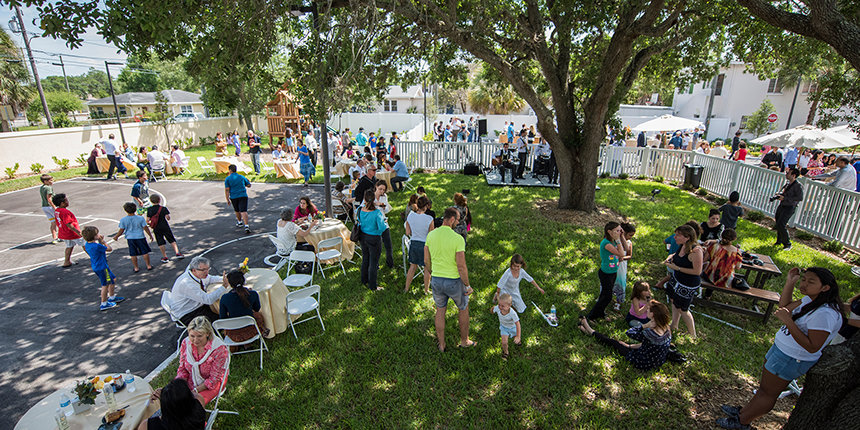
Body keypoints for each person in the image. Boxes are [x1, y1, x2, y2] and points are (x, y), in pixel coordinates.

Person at [717, 267, 843, 429]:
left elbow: (813, 346)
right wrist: (790, 282)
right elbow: (785, 306)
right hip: (781, 350)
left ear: (825, 287)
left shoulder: (825, 314)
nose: (804, 284)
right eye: (804, 279)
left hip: (791, 358)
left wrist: (788, 321)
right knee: (763, 389)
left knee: (769, 394)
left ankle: (742, 422)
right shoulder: (810, 299)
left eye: (811, 282)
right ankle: (743, 413)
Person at [425, 207, 474, 351]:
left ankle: (442, 344)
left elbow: (426, 260)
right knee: (463, 308)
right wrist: (467, 285)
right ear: (452, 219)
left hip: (436, 280)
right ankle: (464, 341)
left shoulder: (431, 235)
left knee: (440, 311)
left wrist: (432, 272)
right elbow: (461, 266)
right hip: (454, 281)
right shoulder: (458, 239)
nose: (458, 223)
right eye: (457, 220)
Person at [578, 301, 672, 371]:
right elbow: (647, 344)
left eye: (648, 309)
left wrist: (644, 325)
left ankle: (590, 330)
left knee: (613, 342)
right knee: (622, 344)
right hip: (657, 361)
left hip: (642, 362)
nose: (646, 310)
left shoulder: (650, 333)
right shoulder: (667, 329)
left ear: (653, 314)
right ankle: (589, 332)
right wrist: (629, 346)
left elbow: (629, 332)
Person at [171, 316, 228, 405]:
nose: (195, 340)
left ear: (207, 334)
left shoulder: (219, 349)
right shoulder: (186, 343)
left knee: (193, 404)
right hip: (191, 380)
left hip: (212, 384)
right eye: (192, 336)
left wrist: (195, 391)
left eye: (199, 336)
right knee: (172, 399)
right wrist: (179, 386)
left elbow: (214, 379)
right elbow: (183, 369)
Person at [663, 224, 702, 339]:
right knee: (673, 300)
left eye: (678, 235)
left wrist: (677, 268)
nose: (674, 237)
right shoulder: (683, 245)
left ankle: (693, 335)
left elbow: (697, 271)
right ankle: (674, 325)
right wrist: (669, 257)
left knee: (683, 309)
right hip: (677, 280)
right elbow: (675, 254)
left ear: (687, 237)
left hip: (687, 284)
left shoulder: (696, 251)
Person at [586, 222, 627, 321]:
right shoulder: (606, 244)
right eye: (617, 230)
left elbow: (626, 248)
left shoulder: (613, 241)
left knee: (605, 295)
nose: (619, 232)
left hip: (613, 272)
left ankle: (600, 313)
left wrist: (621, 236)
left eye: (620, 230)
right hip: (606, 274)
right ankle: (591, 316)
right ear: (609, 232)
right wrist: (618, 240)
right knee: (607, 297)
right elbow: (621, 254)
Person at [170, 257, 226, 325]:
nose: (207, 272)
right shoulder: (187, 283)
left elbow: (210, 278)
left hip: (198, 305)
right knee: (221, 322)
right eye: (203, 270)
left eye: (208, 269)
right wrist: (224, 287)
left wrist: (226, 278)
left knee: (222, 312)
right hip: (188, 313)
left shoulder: (197, 275)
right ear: (194, 270)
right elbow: (208, 300)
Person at [81, 226, 125, 311]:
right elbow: (109, 249)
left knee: (112, 279)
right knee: (105, 284)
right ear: (94, 236)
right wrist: (103, 241)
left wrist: (99, 241)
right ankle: (104, 303)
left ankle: (112, 297)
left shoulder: (88, 245)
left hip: (98, 266)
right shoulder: (97, 246)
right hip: (102, 268)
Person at [219, 270, 270, 341]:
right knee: (258, 315)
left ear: (230, 284)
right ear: (243, 281)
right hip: (252, 331)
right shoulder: (253, 294)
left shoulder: (224, 298)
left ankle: (242, 344)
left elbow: (223, 317)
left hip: (233, 334)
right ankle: (251, 341)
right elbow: (257, 309)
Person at [139, 378, 206, 430]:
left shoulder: (146, 426)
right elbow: (195, 396)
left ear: (166, 407)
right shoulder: (199, 404)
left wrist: (166, 397)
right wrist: (169, 394)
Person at [358, 190, 387, 291]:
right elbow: (381, 228)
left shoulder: (360, 210)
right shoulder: (377, 213)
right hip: (374, 238)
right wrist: (384, 222)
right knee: (373, 262)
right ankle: (373, 286)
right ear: (374, 199)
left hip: (363, 237)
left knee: (365, 258)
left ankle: (364, 279)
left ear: (364, 199)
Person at [404, 195, 434, 293]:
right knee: (427, 268)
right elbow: (431, 235)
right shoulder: (429, 219)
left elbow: (407, 232)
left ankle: (406, 288)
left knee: (412, 267)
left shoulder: (410, 216)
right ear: (426, 206)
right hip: (425, 245)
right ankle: (426, 290)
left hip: (413, 244)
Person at [113, 202, 155, 272]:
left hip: (130, 238)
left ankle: (136, 267)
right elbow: (145, 227)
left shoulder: (123, 220)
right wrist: (150, 235)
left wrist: (116, 236)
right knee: (144, 251)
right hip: (140, 236)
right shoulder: (140, 218)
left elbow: (121, 230)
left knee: (133, 253)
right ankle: (148, 265)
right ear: (135, 209)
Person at [702, 228, 743, 294]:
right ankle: (708, 295)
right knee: (720, 273)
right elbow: (738, 267)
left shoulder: (714, 246)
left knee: (711, 272)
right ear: (734, 239)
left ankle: (707, 295)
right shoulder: (737, 252)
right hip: (727, 280)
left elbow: (704, 260)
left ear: (721, 236)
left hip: (710, 276)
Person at [147, 194, 184, 263]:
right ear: (159, 200)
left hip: (156, 227)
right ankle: (177, 253)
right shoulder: (163, 208)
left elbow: (147, 220)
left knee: (160, 242)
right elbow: (168, 218)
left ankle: (165, 256)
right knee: (171, 239)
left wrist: (151, 223)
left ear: (151, 201)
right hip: (165, 226)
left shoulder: (149, 209)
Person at [774, 168, 803, 251]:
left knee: (781, 224)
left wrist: (785, 198)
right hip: (782, 205)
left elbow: (799, 198)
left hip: (790, 207)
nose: (786, 174)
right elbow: (786, 194)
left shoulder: (798, 186)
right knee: (778, 222)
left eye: (788, 173)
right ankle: (779, 241)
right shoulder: (788, 184)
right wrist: (780, 195)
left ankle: (787, 244)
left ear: (793, 175)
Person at [52, 193, 84, 268]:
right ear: (62, 203)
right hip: (72, 233)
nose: (68, 201)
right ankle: (95, 259)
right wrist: (78, 232)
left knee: (69, 246)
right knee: (85, 244)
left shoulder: (57, 211)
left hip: (64, 233)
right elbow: (68, 224)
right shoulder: (65, 212)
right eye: (66, 200)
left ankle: (66, 261)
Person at [371, 182, 395, 268]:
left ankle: (390, 263)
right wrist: (374, 204)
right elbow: (364, 207)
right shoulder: (370, 196)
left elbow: (387, 210)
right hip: (373, 223)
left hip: (383, 222)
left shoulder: (384, 197)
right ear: (376, 187)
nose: (382, 191)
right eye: (380, 189)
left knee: (388, 244)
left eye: (383, 190)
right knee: (376, 246)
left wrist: (384, 207)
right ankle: (375, 264)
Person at [613, 223, 636, 311]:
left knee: (620, 282)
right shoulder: (615, 241)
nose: (631, 237)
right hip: (612, 264)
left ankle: (618, 301)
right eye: (630, 235)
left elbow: (629, 255)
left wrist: (622, 258)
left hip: (621, 266)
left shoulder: (629, 243)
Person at [490, 294, 521, 360]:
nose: (500, 307)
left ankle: (518, 341)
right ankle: (506, 352)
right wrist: (492, 309)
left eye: (503, 306)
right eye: (499, 304)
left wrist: (518, 336)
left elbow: (518, 324)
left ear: (509, 305)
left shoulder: (512, 313)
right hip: (504, 327)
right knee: (504, 342)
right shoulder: (498, 308)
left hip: (513, 328)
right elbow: (492, 310)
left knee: (515, 337)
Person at [224, 164, 252, 233]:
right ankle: (246, 225)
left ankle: (239, 222)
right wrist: (248, 181)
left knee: (237, 210)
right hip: (243, 195)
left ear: (230, 170)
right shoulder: (241, 177)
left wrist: (227, 199)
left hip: (234, 196)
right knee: (244, 211)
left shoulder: (228, 179)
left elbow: (227, 190)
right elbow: (248, 185)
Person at [38, 174, 60, 244]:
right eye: (50, 180)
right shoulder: (48, 188)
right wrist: (54, 207)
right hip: (50, 207)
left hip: (44, 207)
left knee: (53, 223)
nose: (52, 181)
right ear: (45, 181)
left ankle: (55, 238)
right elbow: (49, 199)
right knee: (59, 221)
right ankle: (62, 235)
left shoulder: (42, 187)